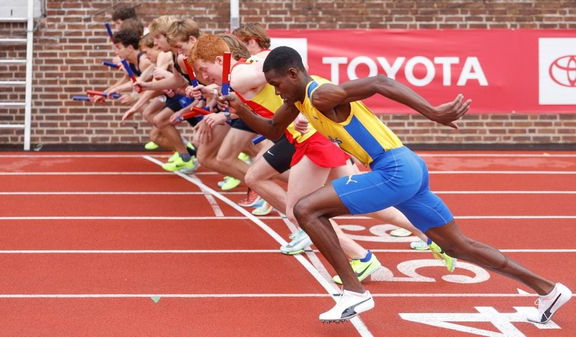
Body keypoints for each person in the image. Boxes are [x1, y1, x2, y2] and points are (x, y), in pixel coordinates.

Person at [220, 46, 572, 323]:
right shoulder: (296, 101)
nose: (275, 91)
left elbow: (379, 82)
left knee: (305, 209)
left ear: (293, 73)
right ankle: (548, 290)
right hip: (408, 167)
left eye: (277, 84)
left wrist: (432, 112)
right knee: (458, 246)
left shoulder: (320, 95)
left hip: (394, 170)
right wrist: (239, 107)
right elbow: (272, 130)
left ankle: (355, 292)